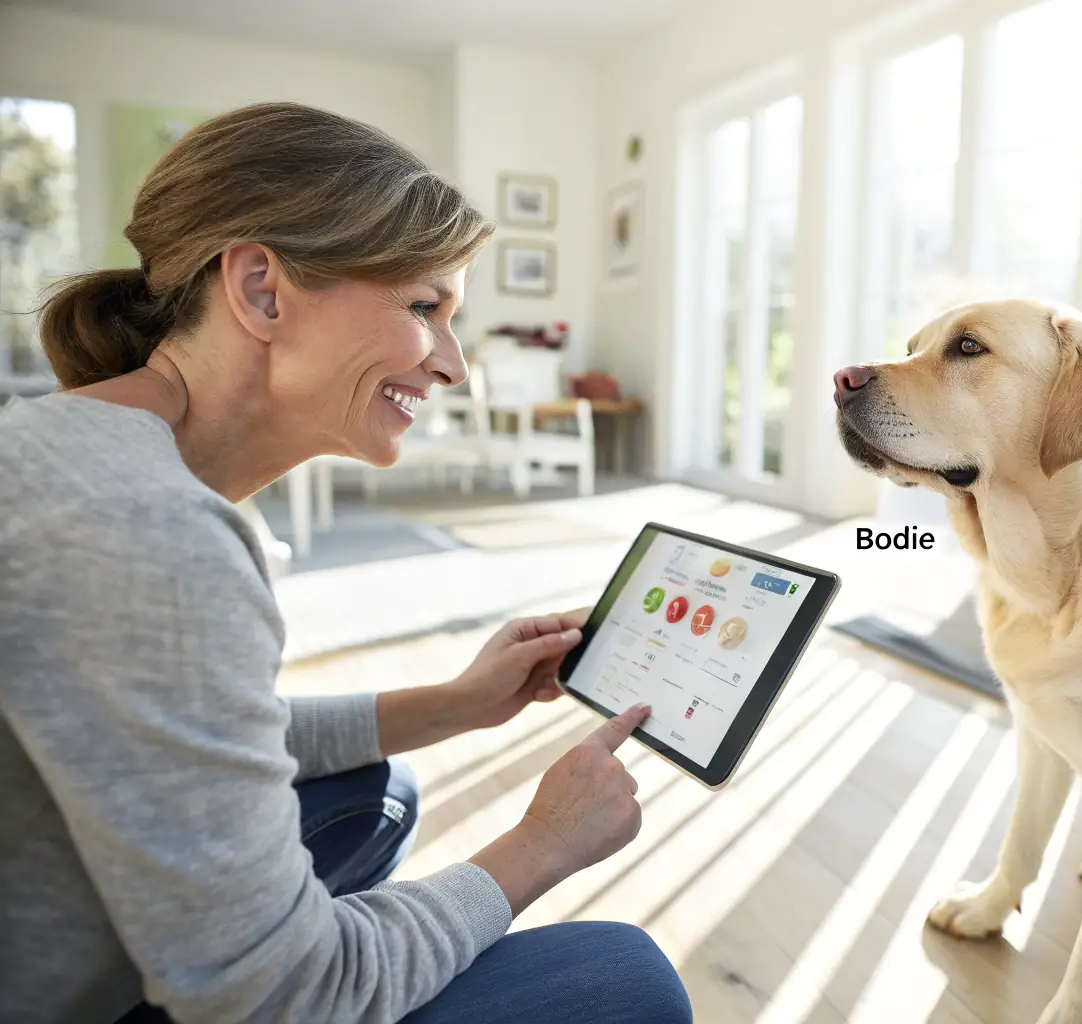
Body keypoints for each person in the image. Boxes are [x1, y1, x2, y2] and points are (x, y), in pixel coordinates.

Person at [0, 101, 692, 1024]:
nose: (450, 363)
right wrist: (540, 845)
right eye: (423, 308)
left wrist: (455, 704)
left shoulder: (82, 451)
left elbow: (189, 732)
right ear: (260, 290)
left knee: (380, 791)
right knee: (623, 980)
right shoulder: (147, 534)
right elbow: (289, 994)